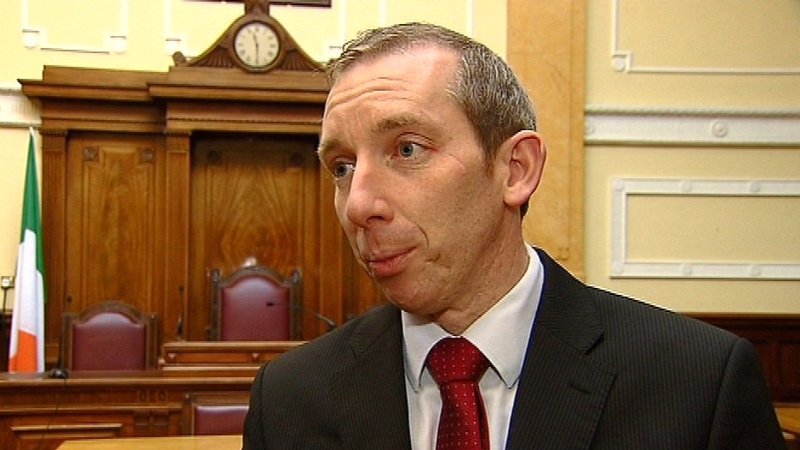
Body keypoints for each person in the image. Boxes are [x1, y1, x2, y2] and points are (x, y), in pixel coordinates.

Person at [242, 22, 785, 449]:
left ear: (515, 169)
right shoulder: (290, 398)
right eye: (340, 167)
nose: (358, 203)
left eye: (407, 150)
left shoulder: (696, 385)